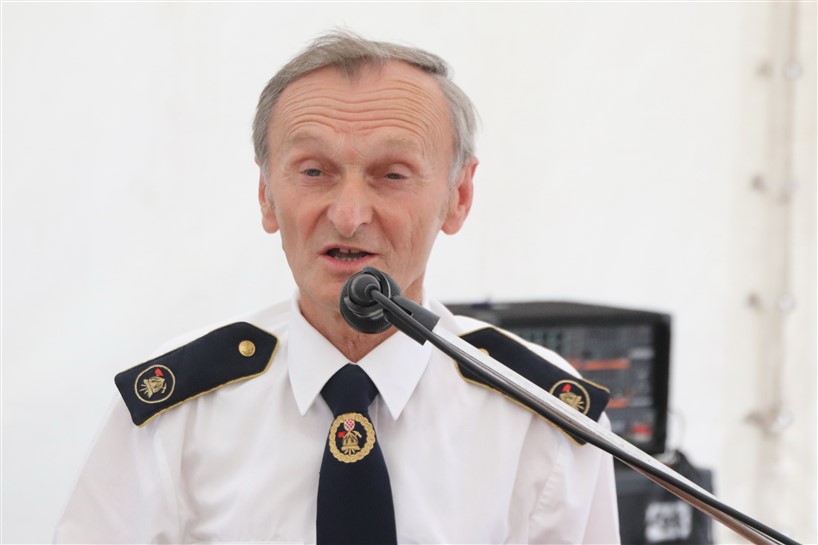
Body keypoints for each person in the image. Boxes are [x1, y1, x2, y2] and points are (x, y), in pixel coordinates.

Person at [55, 32, 620, 544]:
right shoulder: (175, 413)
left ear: (459, 197)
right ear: (266, 195)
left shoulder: (545, 420)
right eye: (313, 171)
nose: (349, 216)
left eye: (392, 175)